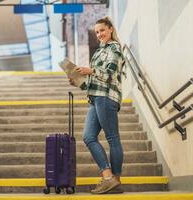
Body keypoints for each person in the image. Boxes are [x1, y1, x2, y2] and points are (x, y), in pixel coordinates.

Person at [69, 17, 125, 194]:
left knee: (112, 138)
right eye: (97, 32)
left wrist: (91, 70)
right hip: (96, 97)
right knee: (88, 137)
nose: (99, 34)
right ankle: (108, 177)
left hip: (107, 97)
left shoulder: (114, 47)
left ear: (110, 29)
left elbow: (109, 74)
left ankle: (115, 179)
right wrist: (78, 82)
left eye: (102, 30)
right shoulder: (99, 52)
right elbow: (94, 82)